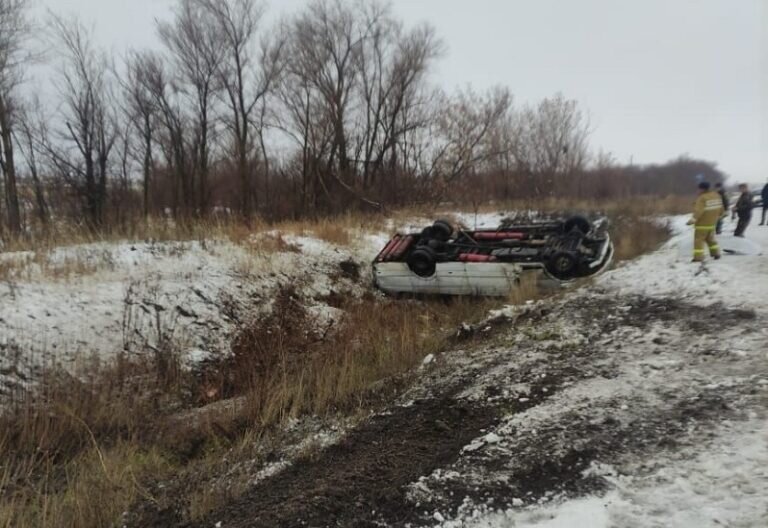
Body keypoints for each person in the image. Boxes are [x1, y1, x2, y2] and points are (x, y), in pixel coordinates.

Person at [687, 181, 723, 262]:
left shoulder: (702, 198)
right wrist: (720, 215)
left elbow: (699, 211)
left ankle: (698, 257)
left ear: (701, 189)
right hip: (712, 223)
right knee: (711, 240)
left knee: (698, 241)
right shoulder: (716, 195)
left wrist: (693, 220)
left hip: (702, 224)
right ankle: (716, 253)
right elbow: (721, 209)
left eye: (698, 189)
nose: (697, 190)